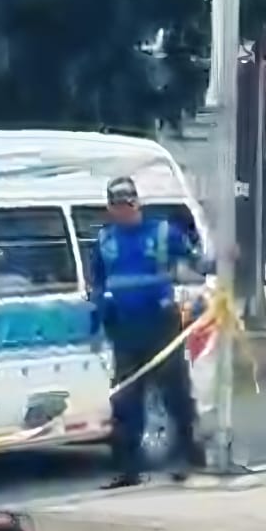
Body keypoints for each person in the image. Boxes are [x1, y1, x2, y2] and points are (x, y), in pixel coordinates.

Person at [88, 176, 209, 489]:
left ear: (137, 203)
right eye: (117, 206)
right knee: (126, 399)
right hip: (124, 328)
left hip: (160, 324)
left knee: (174, 393)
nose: (124, 211)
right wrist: (99, 316)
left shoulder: (162, 232)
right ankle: (129, 468)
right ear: (110, 208)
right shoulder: (105, 240)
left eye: (128, 204)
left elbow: (197, 261)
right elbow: (97, 282)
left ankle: (187, 457)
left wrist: (219, 263)